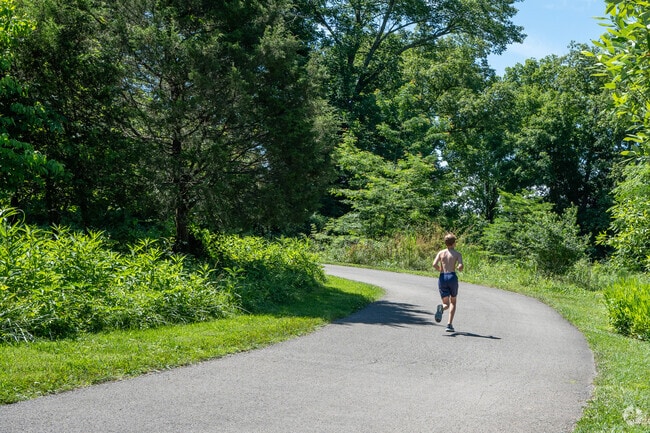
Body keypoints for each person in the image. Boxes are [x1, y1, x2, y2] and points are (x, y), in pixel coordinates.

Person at [432, 233, 464, 332]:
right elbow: (460, 266)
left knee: (446, 303)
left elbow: (434, 264)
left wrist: (440, 269)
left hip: (442, 277)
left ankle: (442, 307)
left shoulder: (441, 252)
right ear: (454, 243)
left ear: (445, 243)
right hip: (452, 277)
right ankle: (449, 325)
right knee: (453, 301)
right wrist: (459, 267)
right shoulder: (457, 254)